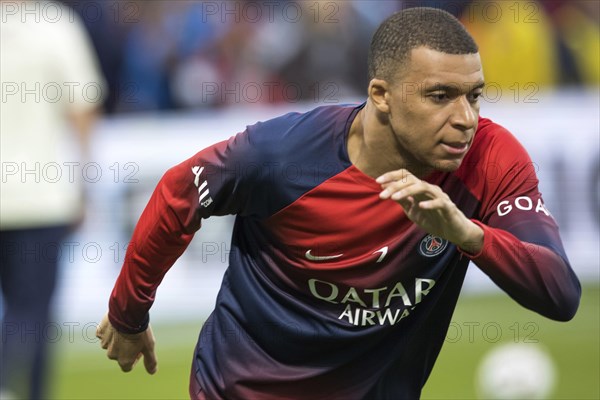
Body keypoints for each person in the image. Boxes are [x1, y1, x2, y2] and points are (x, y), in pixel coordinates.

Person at [96, 7, 581, 399]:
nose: (465, 119)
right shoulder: (281, 155)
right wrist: (128, 313)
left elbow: (560, 294)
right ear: (381, 95)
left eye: (475, 97)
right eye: (440, 96)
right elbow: (179, 192)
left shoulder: (489, 159)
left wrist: (468, 235)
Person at [0, 1, 105, 398]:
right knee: (34, 312)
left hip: (35, 198)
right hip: (39, 198)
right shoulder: (56, 25)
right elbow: (82, 107)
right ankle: (15, 386)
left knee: (27, 312)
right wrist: (83, 183)